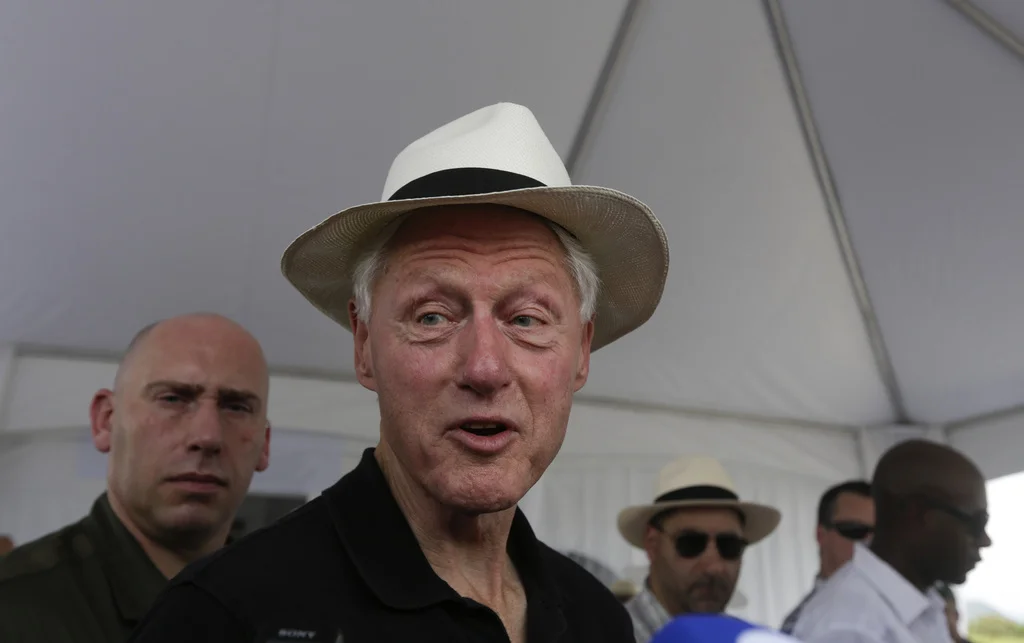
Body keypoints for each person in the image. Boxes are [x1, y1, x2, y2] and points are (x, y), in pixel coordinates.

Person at [126, 102, 670, 643]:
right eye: (432, 317)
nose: (484, 367)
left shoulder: (597, 620)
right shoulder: (224, 617)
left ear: (581, 352)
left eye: (526, 319)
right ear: (364, 344)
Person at [0, 313, 272, 643]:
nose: (207, 436)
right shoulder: (13, 611)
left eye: (237, 407)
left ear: (264, 444)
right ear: (106, 421)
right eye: (172, 398)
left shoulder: (293, 607)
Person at [791, 439, 992, 643]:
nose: (985, 540)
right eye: (976, 523)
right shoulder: (850, 627)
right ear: (918, 515)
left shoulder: (919, 601)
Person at [617, 455, 781, 643]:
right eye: (691, 544)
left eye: (729, 546)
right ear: (652, 544)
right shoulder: (605, 634)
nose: (714, 567)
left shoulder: (746, 638)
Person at [780, 480, 874, 633]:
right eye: (855, 530)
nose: (869, 543)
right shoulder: (801, 624)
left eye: (880, 535)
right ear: (821, 535)